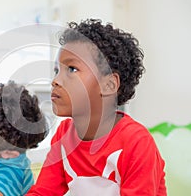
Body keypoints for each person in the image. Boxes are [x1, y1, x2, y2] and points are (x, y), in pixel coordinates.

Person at [24, 18, 166, 195]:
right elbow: (43, 192)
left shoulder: (137, 143)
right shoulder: (64, 134)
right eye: (56, 71)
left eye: (72, 69)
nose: (55, 81)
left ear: (108, 85)